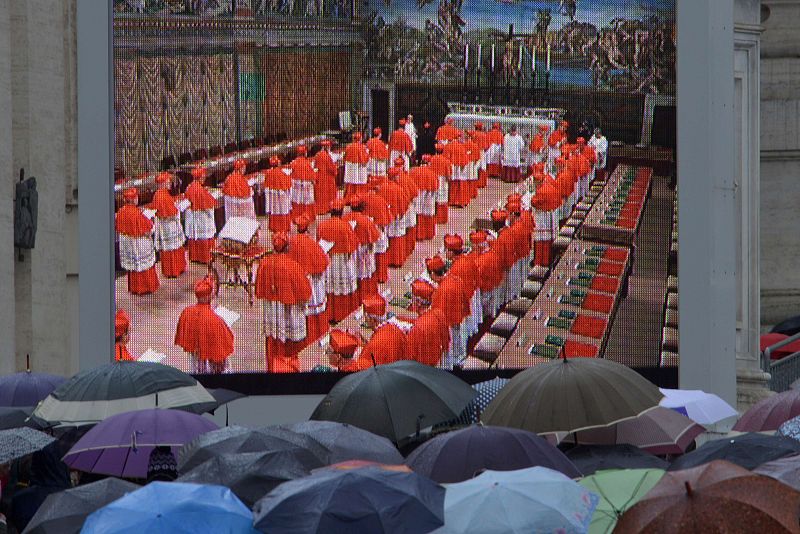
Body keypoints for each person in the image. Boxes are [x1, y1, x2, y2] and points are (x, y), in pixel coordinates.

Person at [255, 232, 312, 372]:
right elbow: (305, 293)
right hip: (289, 314)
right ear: (287, 247)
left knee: (274, 339)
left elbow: (258, 289)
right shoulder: (292, 265)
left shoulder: (264, 263)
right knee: (290, 344)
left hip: (272, 313)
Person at [174, 277, 235, 374]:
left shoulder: (186, 312)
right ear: (209, 296)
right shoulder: (215, 320)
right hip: (212, 360)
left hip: (196, 361)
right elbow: (224, 346)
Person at [288, 214, 330, 346]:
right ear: (307, 229)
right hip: (312, 282)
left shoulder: (290, 243)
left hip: (297, 284)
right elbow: (323, 262)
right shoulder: (312, 243)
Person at [317, 198, 360, 322]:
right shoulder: (346, 226)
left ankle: (331, 315)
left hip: (330, 262)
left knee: (330, 287)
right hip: (343, 263)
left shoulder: (322, 225)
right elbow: (353, 245)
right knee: (342, 288)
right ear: (341, 212)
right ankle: (343, 314)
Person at [116, 187, 159, 295]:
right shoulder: (136, 213)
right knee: (143, 266)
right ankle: (145, 287)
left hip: (127, 245)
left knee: (133, 266)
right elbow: (148, 230)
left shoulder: (121, 211)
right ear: (134, 199)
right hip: (139, 244)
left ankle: (134, 288)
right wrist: (151, 224)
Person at [343, 196, 383, 301]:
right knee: (364, 271)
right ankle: (365, 294)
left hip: (351, 251)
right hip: (363, 250)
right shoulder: (366, 220)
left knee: (353, 271)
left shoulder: (344, 219)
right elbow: (374, 237)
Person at [151, 172, 187, 278]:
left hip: (165, 226)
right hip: (169, 226)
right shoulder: (162, 195)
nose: (170, 184)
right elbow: (171, 212)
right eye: (168, 182)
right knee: (172, 249)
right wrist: (178, 208)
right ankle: (174, 270)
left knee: (170, 249)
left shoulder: (159, 194)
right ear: (162, 183)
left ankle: (171, 270)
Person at [184, 167, 218, 264]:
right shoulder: (199, 189)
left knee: (196, 237)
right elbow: (208, 206)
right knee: (204, 236)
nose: (205, 178)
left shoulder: (190, 186)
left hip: (193, 218)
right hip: (202, 218)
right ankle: (205, 257)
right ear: (200, 177)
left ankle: (195, 257)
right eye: (203, 176)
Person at [377, 167, 410, 268]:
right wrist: (402, 213)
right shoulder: (399, 189)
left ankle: (388, 261)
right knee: (397, 237)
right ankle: (397, 260)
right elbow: (405, 203)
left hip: (386, 217)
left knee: (388, 237)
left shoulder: (382, 188)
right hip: (397, 217)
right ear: (395, 177)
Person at [361, 189, 392, 284]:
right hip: (378, 229)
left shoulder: (363, 200)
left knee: (370, 257)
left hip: (368, 232)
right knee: (380, 253)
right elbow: (386, 218)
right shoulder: (381, 200)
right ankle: (381, 276)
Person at [531, 179, 561, 267]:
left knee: (541, 240)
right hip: (551, 216)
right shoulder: (551, 187)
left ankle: (540, 262)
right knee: (549, 239)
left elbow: (534, 202)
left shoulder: (541, 191)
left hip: (542, 217)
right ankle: (548, 260)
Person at [410, 156, 438, 241]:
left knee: (418, 211)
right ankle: (429, 234)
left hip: (418, 194)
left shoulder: (414, 171)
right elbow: (436, 186)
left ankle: (419, 235)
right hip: (429, 195)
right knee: (428, 212)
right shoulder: (432, 173)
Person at [263, 155, 293, 232]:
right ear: (278, 163)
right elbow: (289, 185)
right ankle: (284, 227)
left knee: (275, 211)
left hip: (273, 199)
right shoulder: (283, 173)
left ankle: (275, 227)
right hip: (282, 198)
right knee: (283, 210)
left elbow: (266, 187)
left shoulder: (268, 174)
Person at [289, 144, 317, 220]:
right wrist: (314, 182)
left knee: (297, 200)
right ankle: (308, 217)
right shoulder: (307, 163)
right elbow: (312, 176)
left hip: (296, 186)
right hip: (307, 186)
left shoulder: (293, 162)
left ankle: (296, 216)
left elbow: (290, 173)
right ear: (305, 153)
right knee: (307, 201)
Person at [313, 139, 338, 216]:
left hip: (319, 177)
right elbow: (332, 168)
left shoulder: (317, 155)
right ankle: (328, 208)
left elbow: (315, 166)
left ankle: (320, 209)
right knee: (328, 194)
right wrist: (335, 171)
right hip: (327, 177)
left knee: (320, 195)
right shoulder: (327, 156)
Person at [444, 138, 471, 207]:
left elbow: (446, 158)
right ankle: (463, 201)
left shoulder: (448, 146)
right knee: (462, 183)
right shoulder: (461, 146)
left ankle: (453, 201)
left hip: (453, 165)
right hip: (462, 166)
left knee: (454, 183)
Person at [343, 131, 370, 198]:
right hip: (360, 168)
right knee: (359, 181)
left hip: (350, 167)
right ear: (360, 139)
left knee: (351, 181)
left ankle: (349, 196)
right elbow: (366, 158)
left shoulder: (348, 146)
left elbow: (344, 157)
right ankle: (359, 196)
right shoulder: (363, 147)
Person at [430, 144, 452, 224]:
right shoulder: (446, 160)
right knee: (443, 199)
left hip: (435, 180)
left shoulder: (432, 159)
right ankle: (442, 219)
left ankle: (436, 218)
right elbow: (449, 175)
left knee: (435, 199)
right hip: (443, 181)